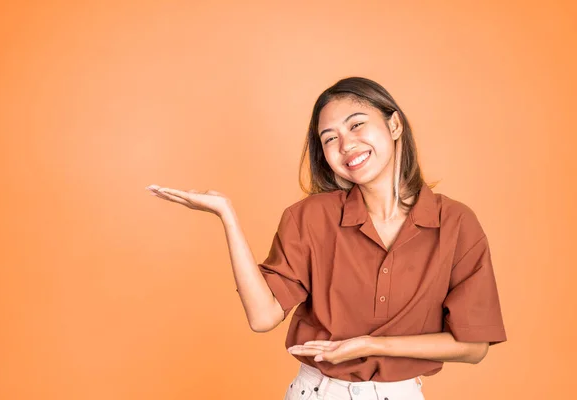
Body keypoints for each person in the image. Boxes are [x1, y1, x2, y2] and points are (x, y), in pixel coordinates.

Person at [146, 76, 507, 400]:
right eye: (330, 138)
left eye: (357, 125)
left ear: (394, 124)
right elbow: (262, 317)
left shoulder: (456, 223)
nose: (346, 144)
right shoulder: (309, 218)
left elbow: (474, 346)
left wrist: (371, 345)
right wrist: (227, 215)